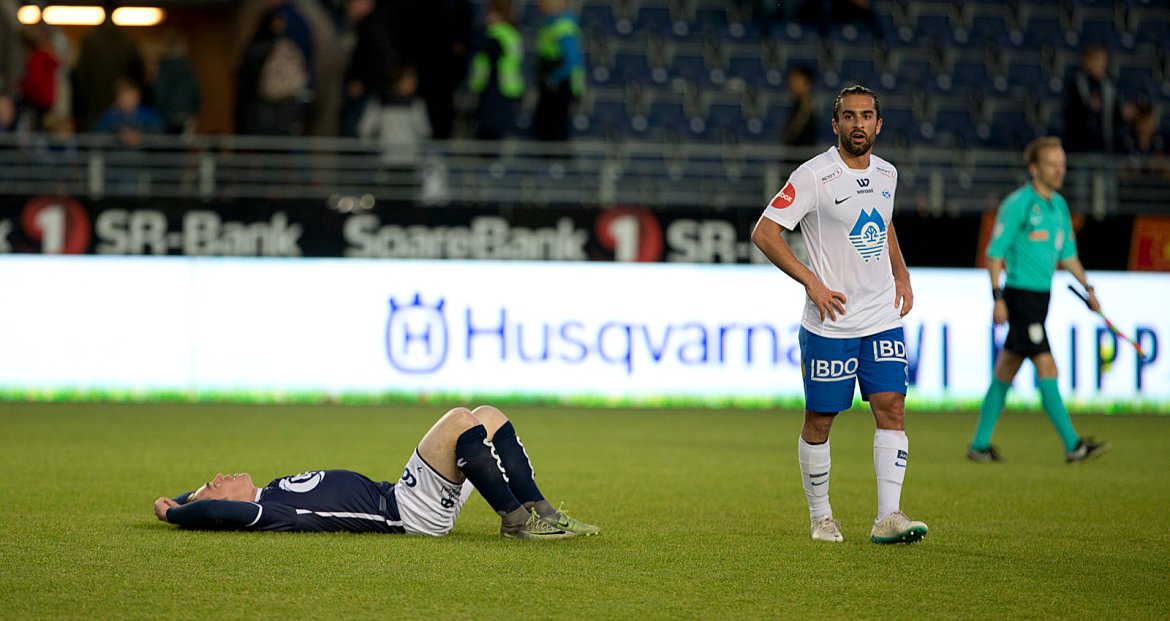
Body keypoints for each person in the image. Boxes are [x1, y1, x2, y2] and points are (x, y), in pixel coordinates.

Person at [751, 85, 927, 545]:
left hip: (882, 316)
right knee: (821, 419)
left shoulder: (888, 173)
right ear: (836, 125)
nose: (858, 124)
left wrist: (902, 274)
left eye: (867, 116)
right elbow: (765, 232)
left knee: (891, 407)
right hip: (831, 320)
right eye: (849, 116)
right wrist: (811, 281)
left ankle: (889, 516)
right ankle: (821, 517)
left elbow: (884, 222)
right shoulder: (814, 175)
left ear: (879, 124)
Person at [153, 405, 600, 540]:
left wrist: (179, 498)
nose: (220, 475)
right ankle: (517, 522)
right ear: (225, 502)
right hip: (407, 511)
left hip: (408, 499)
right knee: (462, 420)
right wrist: (176, 514)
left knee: (489, 416)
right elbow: (218, 514)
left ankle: (540, 510)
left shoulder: (269, 492)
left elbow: (205, 503)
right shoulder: (267, 512)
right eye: (215, 484)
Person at [967, 137, 1111, 464]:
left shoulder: (1059, 206)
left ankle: (978, 445)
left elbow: (1069, 256)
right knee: (1047, 365)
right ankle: (1073, 444)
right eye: (1052, 164)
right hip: (1020, 299)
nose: (1060, 169)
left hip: (1041, 300)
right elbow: (994, 255)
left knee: (1006, 369)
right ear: (1034, 169)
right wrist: (997, 298)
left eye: (1062, 163)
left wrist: (1089, 290)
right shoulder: (1018, 204)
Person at [468, 0, 524, 140]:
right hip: (504, 88)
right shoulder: (512, 32)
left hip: (498, 89)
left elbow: (480, 44)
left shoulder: (498, 33)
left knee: (491, 132)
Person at [532, 0, 584, 143]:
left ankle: (558, 163)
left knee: (555, 130)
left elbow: (572, 61)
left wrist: (553, 78)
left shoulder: (563, 26)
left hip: (560, 88)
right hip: (550, 87)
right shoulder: (550, 24)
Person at [1062, 44, 1125, 154]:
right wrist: (1087, 108)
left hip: (1105, 146)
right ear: (1087, 61)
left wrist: (1123, 114)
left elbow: (1116, 117)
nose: (1102, 64)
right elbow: (1069, 115)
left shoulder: (1110, 85)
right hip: (1080, 148)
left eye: (1104, 60)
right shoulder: (1075, 84)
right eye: (1097, 60)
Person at [780, 65, 817, 148]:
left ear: (807, 84)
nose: (791, 84)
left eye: (796, 81)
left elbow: (793, 133)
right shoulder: (795, 104)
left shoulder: (807, 107)